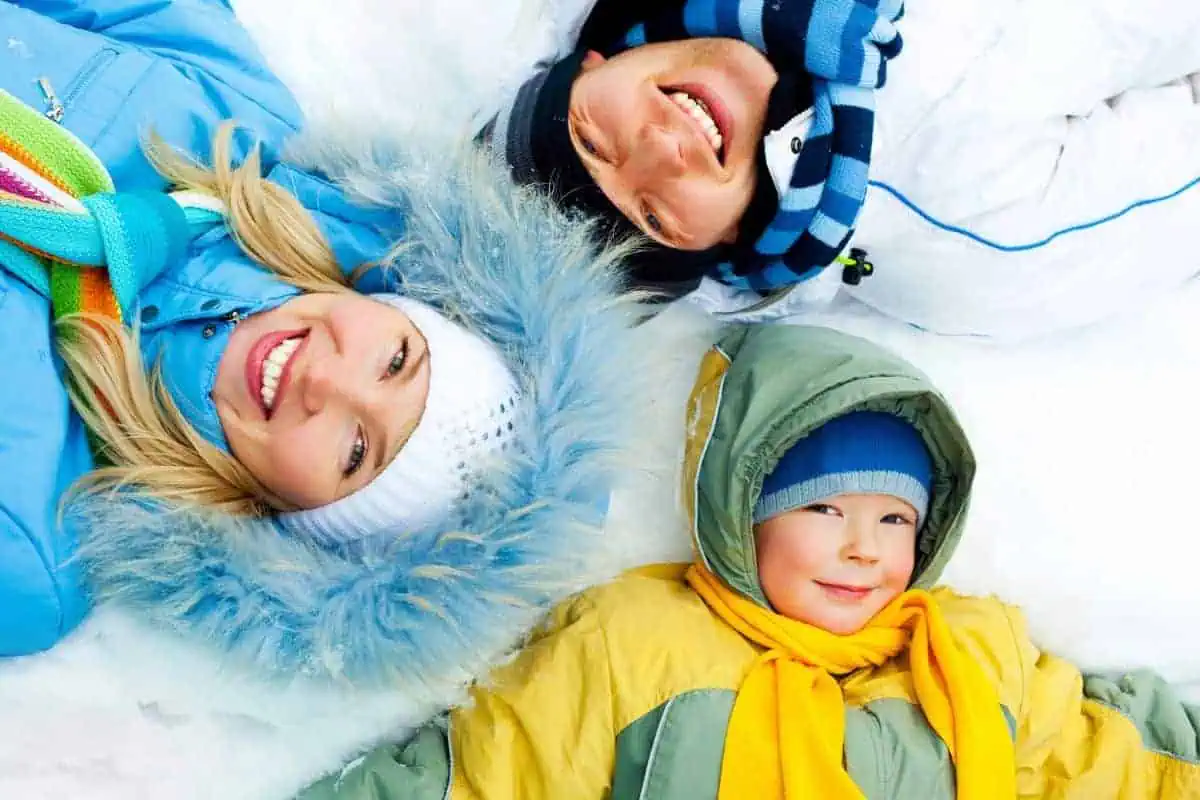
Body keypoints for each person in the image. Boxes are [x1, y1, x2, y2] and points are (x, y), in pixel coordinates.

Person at [0, 0, 643, 682]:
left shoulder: (35, 547)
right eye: (396, 359)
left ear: (301, 522)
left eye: (357, 452)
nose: (324, 380)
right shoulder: (236, 114)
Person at [300, 323, 1200, 799]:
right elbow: (492, 777)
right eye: (823, 507)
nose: (863, 547)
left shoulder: (971, 656)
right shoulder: (635, 644)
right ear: (745, 510)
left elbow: (1120, 763)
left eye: (894, 518)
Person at [485, 0, 1200, 338]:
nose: (664, 152)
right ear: (721, 246)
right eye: (652, 216)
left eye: (592, 140)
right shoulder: (965, 235)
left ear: (590, 64)